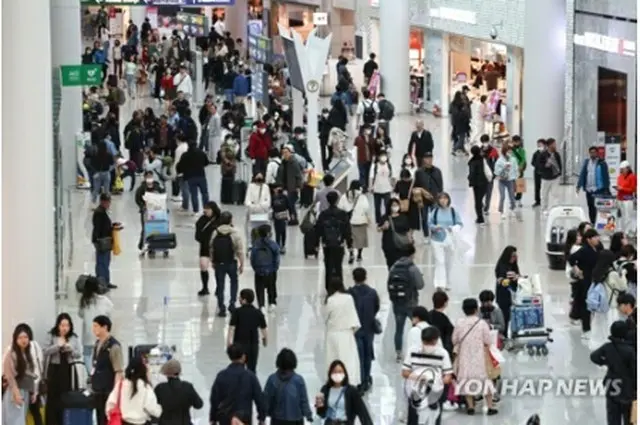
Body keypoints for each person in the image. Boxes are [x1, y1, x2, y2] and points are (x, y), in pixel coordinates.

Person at [452, 298, 498, 415]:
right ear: (476, 309)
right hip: (479, 356)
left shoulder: (459, 323)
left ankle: (471, 406)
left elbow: (454, 340)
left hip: (464, 356)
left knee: (467, 378)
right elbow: (488, 340)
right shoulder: (482, 324)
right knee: (484, 379)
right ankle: (490, 406)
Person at [401, 326, 453, 425]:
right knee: (414, 419)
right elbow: (405, 372)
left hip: (434, 393)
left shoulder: (442, 353)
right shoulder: (413, 351)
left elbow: (448, 376)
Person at [589, 321, 637, 425]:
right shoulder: (630, 351)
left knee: (613, 416)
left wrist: (605, 362)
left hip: (612, 385)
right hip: (627, 389)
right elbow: (635, 371)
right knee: (628, 416)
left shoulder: (607, 347)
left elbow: (594, 356)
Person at [209, 344, 266, 425]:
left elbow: (214, 399)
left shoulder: (221, 376)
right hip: (244, 418)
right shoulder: (250, 376)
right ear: (243, 357)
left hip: (225, 418)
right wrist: (261, 418)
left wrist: (213, 418)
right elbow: (259, 399)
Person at [43, 314, 82, 425]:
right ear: (58, 325)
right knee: (53, 399)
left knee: (67, 397)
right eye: (62, 325)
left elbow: (79, 354)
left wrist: (71, 350)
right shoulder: (51, 335)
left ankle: (66, 421)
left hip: (68, 369)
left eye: (67, 325)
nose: (65, 328)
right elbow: (45, 351)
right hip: (54, 370)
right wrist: (57, 346)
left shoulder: (74, 337)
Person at [387, 245, 425, 361]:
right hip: (411, 303)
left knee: (399, 329)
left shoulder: (394, 267)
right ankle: (418, 351)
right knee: (417, 328)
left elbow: (389, 284)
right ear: (412, 254)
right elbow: (420, 285)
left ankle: (398, 353)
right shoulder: (412, 268)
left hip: (397, 303)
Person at [324, 277, 362, 387]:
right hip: (346, 333)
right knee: (349, 360)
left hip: (333, 334)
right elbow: (354, 318)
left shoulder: (330, 300)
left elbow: (325, 317)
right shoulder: (349, 298)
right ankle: (350, 381)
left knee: (333, 358)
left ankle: (334, 382)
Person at [348, 268, 380, 393]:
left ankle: (360, 381)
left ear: (353, 278)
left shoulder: (350, 293)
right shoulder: (372, 293)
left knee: (358, 356)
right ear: (366, 277)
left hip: (355, 329)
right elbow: (376, 307)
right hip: (368, 327)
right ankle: (367, 378)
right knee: (368, 354)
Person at [263, 348, 314, 425]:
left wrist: (262, 416)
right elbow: (304, 400)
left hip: (277, 419)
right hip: (296, 419)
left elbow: (266, 400)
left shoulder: (272, 379)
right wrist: (308, 415)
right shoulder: (298, 380)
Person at [314, 360, 373, 425]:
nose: (337, 374)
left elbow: (363, 413)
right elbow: (321, 414)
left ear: (344, 374)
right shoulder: (325, 389)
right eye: (334, 372)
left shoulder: (351, 391)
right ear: (330, 374)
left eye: (340, 372)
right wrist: (319, 406)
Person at [569, 228, 603, 338]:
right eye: (595, 237)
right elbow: (571, 259)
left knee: (591, 304)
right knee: (586, 305)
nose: (597, 239)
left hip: (594, 279)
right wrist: (577, 269)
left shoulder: (596, 248)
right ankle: (586, 328)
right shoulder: (584, 250)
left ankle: (590, 326)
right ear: (588, 239)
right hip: (586, 281)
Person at [210, 211, 244, 317]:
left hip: (219, 263)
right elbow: (239, 250)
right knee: (234, 282)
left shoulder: (215, 232)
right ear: (230, 220)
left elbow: (211, 247)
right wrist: (242, 264)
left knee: (220, 285)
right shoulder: (234, 233)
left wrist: (213, 261)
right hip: (231, 263)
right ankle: (232, 304)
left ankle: (221, 307)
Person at [315, 191, 352, 290]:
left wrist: (317, 244)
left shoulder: (323, 214)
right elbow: (347, 230)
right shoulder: (342, 214)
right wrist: (349, 243)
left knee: (328, 266)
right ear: (337, 200)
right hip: (339, 244)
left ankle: (328, 287)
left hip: (327, 244)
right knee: (338, 266)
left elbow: (318, 229)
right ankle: (339, 287)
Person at [91, 315, 124, 425]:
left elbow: (118, 371)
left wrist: (115, 392)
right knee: (99, 417)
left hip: (108, 389)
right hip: (98, 388)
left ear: (104, 327)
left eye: (96, 326)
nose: (93, 329)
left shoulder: (114, 346)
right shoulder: (97, 344)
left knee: (108, 419)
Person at [2, 324, 37, 425]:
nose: (23, 340)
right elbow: (10, 376)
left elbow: (31, 375)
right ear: (15, 339)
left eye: (25, 337)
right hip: (15, 393)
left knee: (20, 420)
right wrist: (16, 393)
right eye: (20, 337)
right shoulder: (11, 354)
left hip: (25, 392)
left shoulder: (28, 353)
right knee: (15, 421)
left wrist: (33, 391)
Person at [227, 289, 268, 373]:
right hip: (253, 345)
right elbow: (263, 329)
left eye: (240, 298)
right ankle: (251, 384)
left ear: (244, 300)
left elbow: (231, 328)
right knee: (252, 369)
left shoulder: (237, 312)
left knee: (238, 369)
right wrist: (265, 340)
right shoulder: (258, 313)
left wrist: (229, 342)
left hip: (239, 345)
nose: (239, 299)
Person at [428, 192, 463, 290]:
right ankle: (439, 283)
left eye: (445, 198)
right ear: (438, 200)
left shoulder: (453, 211)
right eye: (441, 198)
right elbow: (429, 224)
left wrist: (454, 228)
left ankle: (448, 281)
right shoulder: (434, 212)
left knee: (449, 261)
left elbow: (460, 224)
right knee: (439, 261)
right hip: (437, 240)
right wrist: (435, 227)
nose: (443, 200)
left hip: (450, 239)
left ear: (448, 200)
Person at [155, 359, 203, 425]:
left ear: (166, 374)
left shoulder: (160, 388)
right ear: (179, 372)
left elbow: (152, 406)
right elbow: (199, 405)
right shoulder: (188, 387)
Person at [78, 278, 113, 366]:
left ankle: (90, 374)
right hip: (101, 333)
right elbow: (109, 314)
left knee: (87, 354)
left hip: (88, 334)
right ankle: (97, 372)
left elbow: (80, 314)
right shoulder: (105, 301)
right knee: (100, 354)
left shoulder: (84, 301)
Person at [576, 145, 611, 223]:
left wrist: (606, 188)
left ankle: (600, 223)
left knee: (599, 207)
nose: (593, 154)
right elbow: (582, 174)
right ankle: (593, 222)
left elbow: (606, 176)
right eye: (591, 153)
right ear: (589, 153)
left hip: (598, 189)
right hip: (589, 190)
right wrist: (579, 185)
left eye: (594, 152)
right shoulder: (586, 162)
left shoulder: (602, 163)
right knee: (591, 207)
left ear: (597, 153)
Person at [338, 180, 370, 264]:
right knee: (361, 239)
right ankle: (359, 255)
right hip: (361, 220)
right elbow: (366, 207)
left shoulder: (345, 196)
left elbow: (340, 207)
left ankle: (351, 253)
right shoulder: (362, 196)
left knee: (350, 239)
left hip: (348, 221)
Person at [414, 153, 443, 242]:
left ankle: (434, 234)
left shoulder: (437, 171)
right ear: (423, 159)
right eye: (427, 158)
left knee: (435, 217)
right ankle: (426, 235)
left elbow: (440, 185)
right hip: (423, 199)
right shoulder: (419, 172)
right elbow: (416, 186)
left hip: (435, 198)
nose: (429, 160)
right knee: (424, 217)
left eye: (430, 158)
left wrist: (440, 197)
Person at [250, 225, 281, 311]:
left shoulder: (256, 244)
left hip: (259, 271)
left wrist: (256, 268)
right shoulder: (272, 244)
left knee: (259, 288)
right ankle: (272, 303)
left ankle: (261, 305)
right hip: (271, 270)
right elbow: (277, 257)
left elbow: (252, 259)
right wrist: (275, 268)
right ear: (268, 233)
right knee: (271, 286)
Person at [195, 201, 221, 296]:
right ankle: (205, 287)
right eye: (205, 208)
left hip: (217, 247)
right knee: (203, 266)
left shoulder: (219, 220)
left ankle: (219, 287)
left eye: (208, 209)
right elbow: (197, 234)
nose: (205, 210)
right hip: (205, 246)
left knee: (218, 268)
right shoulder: (201, 220)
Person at [176, 142, 211, 214]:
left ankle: (196, 210)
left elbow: (180, 166)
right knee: (204, 193)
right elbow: (206, 163)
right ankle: (206, 208)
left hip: (190, 177)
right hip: (201, 175)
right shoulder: (201, 153)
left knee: (194, 194)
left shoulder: (185, 155)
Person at [92, 193, 117, 289]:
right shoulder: (99, 212)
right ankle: (101, 282)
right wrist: (98, 240)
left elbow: (105, 225)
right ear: (102, 201)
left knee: (106, 262)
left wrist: (113, 227)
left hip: (106, 240)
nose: (108, 204)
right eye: (107, 202)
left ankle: (106, 281)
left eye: (109, 202)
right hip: (102, 241)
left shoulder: (103, 211)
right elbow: (98, 228)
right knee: (102, 262)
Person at [135, 171, 164, 251]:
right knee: (145, 228)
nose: (149, 178)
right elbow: (137, 199)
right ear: (145, 178)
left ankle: (153, 245)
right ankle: (142, 244)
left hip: (156, 211)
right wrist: (142, 206)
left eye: (151, 176)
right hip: (145, 211)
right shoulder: (141, 188)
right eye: (147, 176)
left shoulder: (157, 186)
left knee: (154, 228)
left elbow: (163, 195)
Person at [379, 198, 412, 269]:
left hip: (402, 245)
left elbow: (408, 230)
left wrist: (410, 242)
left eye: (397, 205)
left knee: (402, 264)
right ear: (389, 207)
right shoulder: (385, 217)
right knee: (391, 264)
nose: (395, 207)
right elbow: (378, 229)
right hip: (389, 245)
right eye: (393, 205)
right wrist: (383, 227)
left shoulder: (404, 217)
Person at [494, 245, 519, 338]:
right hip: (503, 296)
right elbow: (500, 279)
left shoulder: (513, 265)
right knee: (505, 316)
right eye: (513, 256)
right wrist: (507, 280)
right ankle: (504, 335)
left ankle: (513, 334)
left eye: (515, 256)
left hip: (513, 295)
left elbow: (518, 275)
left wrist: (518, 278)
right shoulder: (502, 266)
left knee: (512, 316)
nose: (514, 258)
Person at [275, 145, 304, 224]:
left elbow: (298, 175)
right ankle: (291, 218)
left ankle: (294, 219)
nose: (285, 154)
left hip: (292, 187)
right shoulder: (283, 162)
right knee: (288, 204)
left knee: (291, 204)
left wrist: (298, 187)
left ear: (290, 153)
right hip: (285, 187)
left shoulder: (293, 162)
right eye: (283, 153)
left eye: (286, 152)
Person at [537, 138, 562, 215]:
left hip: (555, 177)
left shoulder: (556, 154)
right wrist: (545, 166)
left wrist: (559, 172)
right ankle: (544, 209)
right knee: (544, 194)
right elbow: (539, 166)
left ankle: (555, 208)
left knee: (555, 194)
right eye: (554, 144)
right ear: (549, 145)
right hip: (546, 178)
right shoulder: (542, 155)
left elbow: (560, 164)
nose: (555, 145)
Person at [494, 143, 518, 219]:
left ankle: (512, 208)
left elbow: (515, 169)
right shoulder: (500, 160)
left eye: (511, 150)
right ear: (504, 151)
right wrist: (504, 167)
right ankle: (501, 211)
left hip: (510, 180)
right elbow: (496, 171)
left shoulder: (513, 159)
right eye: (508, 150)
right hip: (502, 180)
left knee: (512, 196)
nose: (510, 152)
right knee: (502, 196)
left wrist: (515, 178)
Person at [369, 149, 394, 224]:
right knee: (377, 207)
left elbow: (392, 176)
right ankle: (379, 222)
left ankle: (387, 220)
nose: (383, 157)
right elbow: (371, 177)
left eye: (385, 155)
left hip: (387, 189)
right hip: (377, 189)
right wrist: (371, 186)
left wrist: (393, 186)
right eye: (382, 156)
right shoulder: (375, 166)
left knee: (387, 206)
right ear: (379, 157)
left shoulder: (389, 165)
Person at [467, 145, 489, 224]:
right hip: (484, 182)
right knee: (480, 199)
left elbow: (472, 173)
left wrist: (469, 179)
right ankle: (481, 213)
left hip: (477, 184)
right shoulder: (482, 159)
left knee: (477, 201)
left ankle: (480, 218)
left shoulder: (473, 162)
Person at [616, 160, 637, 235]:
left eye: (622, 169)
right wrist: (617, 195)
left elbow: (633, 189)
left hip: (628, 199)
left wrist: (622, 188)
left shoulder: (632, 177)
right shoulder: (620, 177)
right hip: (620, 199)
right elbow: (619, 187)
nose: (621, 171)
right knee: (622, 216)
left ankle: (627, 232)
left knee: (628, 216)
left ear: (628, 169)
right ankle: (622, 231)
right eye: (620, 169)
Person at [354, 124, 375, 192]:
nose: (368, 131)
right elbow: (355, 147)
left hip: (369, 159)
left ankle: (365, 187)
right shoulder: (358, 138)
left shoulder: (372, 139)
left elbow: (373, 149)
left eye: (369, 129)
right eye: (367, 129)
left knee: (367, 174)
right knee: (362, 173)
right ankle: (362, 187)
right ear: (363, 130)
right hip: (361, 159)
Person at [511, 135, 527, 207]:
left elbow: (523, 159)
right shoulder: (510, 150)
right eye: (515, 142)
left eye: (518, 142)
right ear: (513, 142)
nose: (517, 143)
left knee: (520, 185)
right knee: (511, 185)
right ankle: (512, 200)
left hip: (520, 170)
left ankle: (519, 200)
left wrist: (521, 166)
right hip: (512, 170)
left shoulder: (522, 150)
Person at [530, 139, 546, 207]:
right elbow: (532, 162)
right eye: (538, 145)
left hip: (545, 172)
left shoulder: (547, 153)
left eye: (541, 145)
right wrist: (538, 165)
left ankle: (545, 201)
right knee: (537, 187)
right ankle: (537, 201)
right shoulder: (536, 153)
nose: (539, 146)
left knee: (546, 187)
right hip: (537, 172)